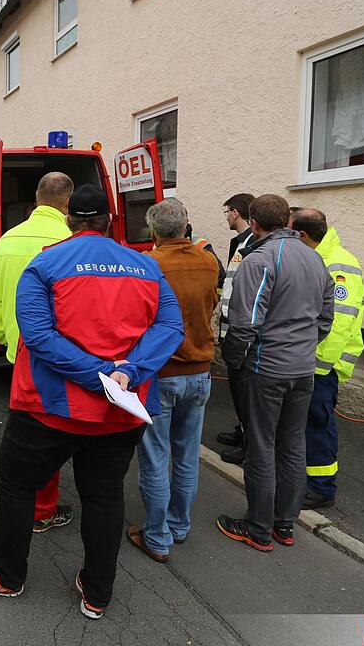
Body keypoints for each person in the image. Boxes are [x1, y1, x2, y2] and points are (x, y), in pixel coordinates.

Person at [0, 185, 184, 620]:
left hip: (49, 408)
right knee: (103, 496)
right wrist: (127, 372)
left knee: (18, 485)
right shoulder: (146, 266)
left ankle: (6, 576)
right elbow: (171, 327)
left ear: (70, 219)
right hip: (121, 410)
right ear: (109, 221)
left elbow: (38, 336)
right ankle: (98, 592)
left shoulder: (45, 263)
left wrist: (93, 375)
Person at [217, 195, 334, 551]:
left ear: (254, 223)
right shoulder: (315, 258)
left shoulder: (260, 259)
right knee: (293, 445)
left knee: (262, 447)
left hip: (266, 369)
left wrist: (234, 361)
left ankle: (258, 527)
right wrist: (302, 348)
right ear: (287, 219)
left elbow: (244, 323)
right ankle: (284, 524)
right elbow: (326, 319)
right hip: (302, 369)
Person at [0, 171, 75, 533]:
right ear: (67, 203)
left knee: (26, 436)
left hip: (19, 356)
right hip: (62, 356)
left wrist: (6, 337)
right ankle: (43, 507)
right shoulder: (72, 240)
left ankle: (29, 503)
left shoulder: (5, 242)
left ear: (36, 199)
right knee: (55, 435)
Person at [129, 199, 220, 562]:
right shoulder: (208, 261)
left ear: (153, 232)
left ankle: (157, 536)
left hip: (161, 374)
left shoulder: (148, 264)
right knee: (186, 455)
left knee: (154, 456)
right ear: (187, 227)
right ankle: (178, 525)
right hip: (199, 371)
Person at [289, 208, 364, 510]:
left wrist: (317, 366)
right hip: (310, 362)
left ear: (303, 235)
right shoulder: (320, 258)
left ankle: (322, 489)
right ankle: (310, 480)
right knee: (308, 425)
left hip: (321, 366)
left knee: (318, 426)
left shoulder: (338, 264)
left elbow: (337, 325)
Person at [216, 192, 256, 465]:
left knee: (245, 390)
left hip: (241, 330)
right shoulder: (238, 243)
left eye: (227, 211)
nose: (226, 216)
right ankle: (242, 429)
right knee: (236, 386)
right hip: (229, 328)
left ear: (236, 213)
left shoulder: (253, 245)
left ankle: (249, 444)